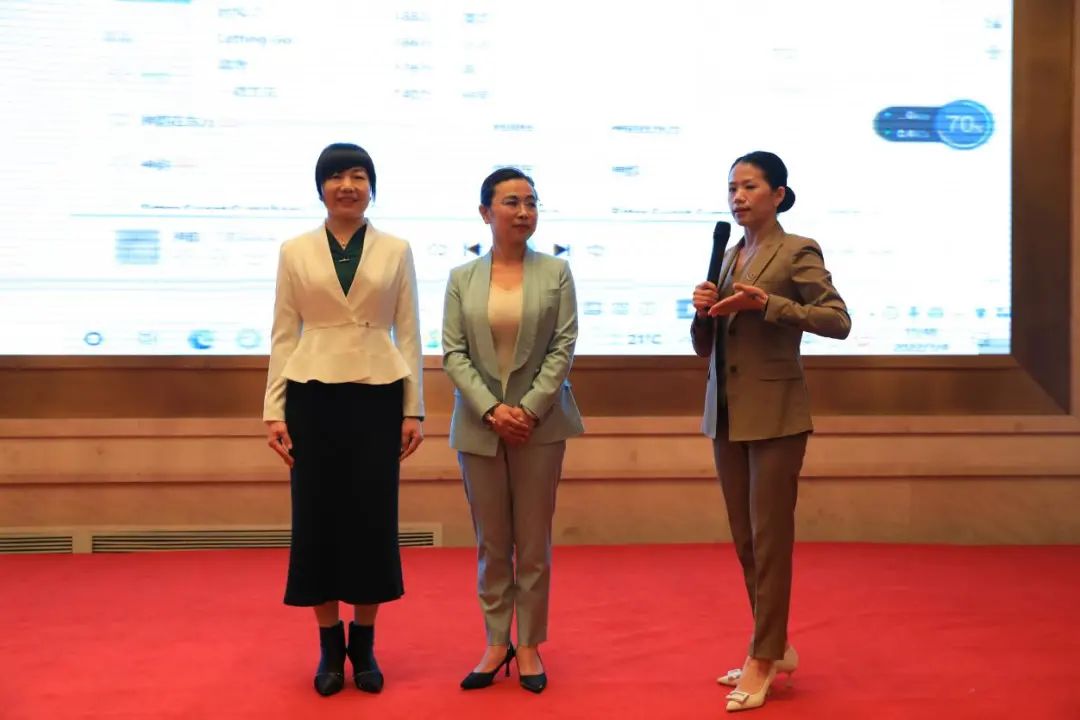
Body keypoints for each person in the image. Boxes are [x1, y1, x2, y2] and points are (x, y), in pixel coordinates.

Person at [690, 151, 850, 712]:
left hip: (777, 414)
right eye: (732, 187)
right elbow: (705, 347)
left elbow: (837, 320)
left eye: (750, 186)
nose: (738, 196)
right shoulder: (729, 254)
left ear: (778, 194)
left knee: (771, 540)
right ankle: (774, 644)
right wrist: (702, 311)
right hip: (726, 413)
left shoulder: (797, 249)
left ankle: (763, 656)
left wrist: (770, 304)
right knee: (746, 540)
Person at [262, 142, 425, 697]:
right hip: (312, 395)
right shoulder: (294, 250)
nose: (347, 185)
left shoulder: (396, 249)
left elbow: (410, 331)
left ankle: (365, 642)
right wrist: (274, 411)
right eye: (336, 176)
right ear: (321, 188)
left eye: (358, 175)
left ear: (371, 187)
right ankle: (330, 645)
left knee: (372, 519)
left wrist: (413, 408)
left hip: (379, 395)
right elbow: (284, 333)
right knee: (318, 519)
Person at [442, 167, 584, 694]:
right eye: (511, 202)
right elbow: (453, 352)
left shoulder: (557, 272)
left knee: (533, 542)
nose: (524, 212)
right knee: (492, 542)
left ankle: (529, 645)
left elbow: (563, 346)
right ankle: (496, 640)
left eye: (531, 202)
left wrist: (526, 409)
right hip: (479, 427)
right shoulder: (462, 277)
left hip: (539, 426)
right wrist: (491, 410)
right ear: (486, 213)